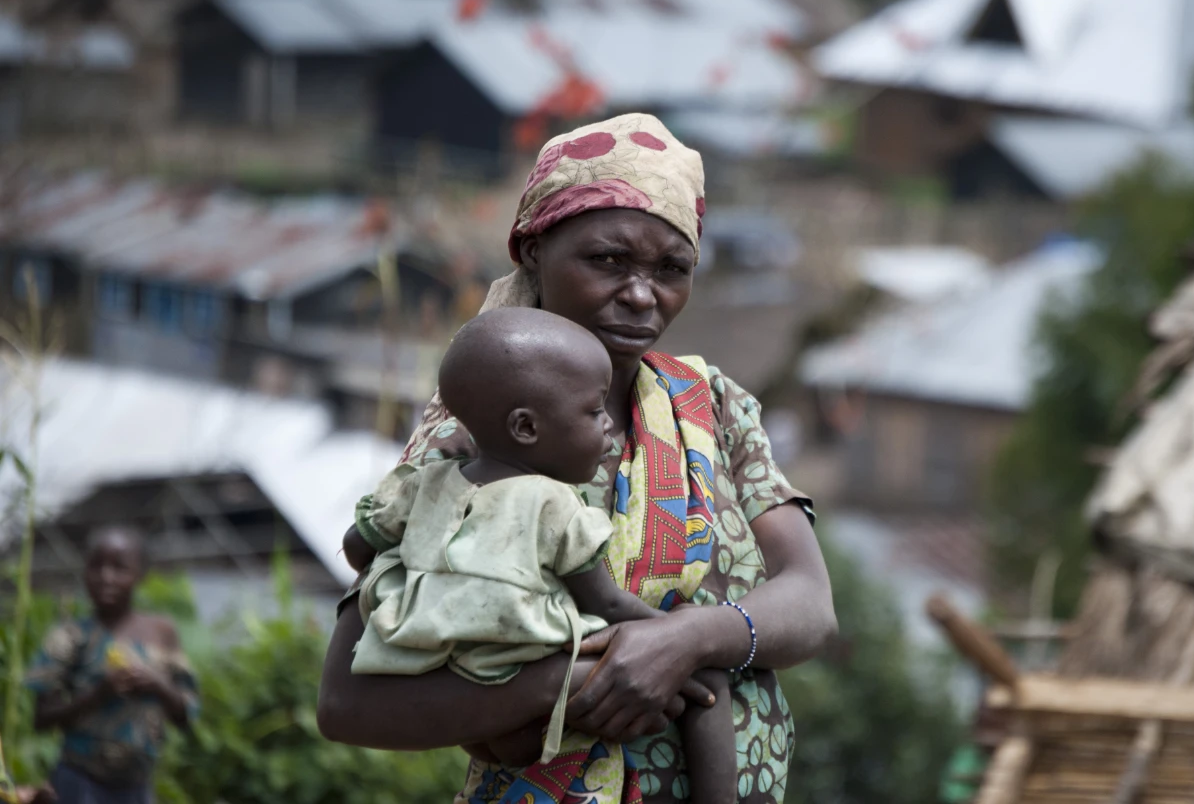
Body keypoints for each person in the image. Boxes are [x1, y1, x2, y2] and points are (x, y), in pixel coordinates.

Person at [319, 112, 838, 804]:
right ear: (534, 252)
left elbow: (809, 601)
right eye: (608, 260)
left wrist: (687, 641)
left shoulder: (709, 407)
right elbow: (350, 703)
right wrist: (568, 685)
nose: (641, 294)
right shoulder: (481, 432)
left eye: (671, 269)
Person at [346, 307, 734, 803]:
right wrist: (686, 635)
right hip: (526, 667)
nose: (608, 425)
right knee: (706, 677)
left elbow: (360, 548)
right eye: (594, 412)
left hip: (445, 672)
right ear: (526, 428)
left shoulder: (425, 482)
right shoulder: (552, 503)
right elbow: (606, 604)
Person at [25, 526, 199, 804]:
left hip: (137, 787)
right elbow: (41, 719)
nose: (106, 577)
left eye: (120, 568)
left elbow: (187, 715)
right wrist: (99, 693)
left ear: (140, 574)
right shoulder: (70, 636)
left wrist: (158, 683)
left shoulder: (162, 634)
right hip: (79, 781)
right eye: (96, 566)